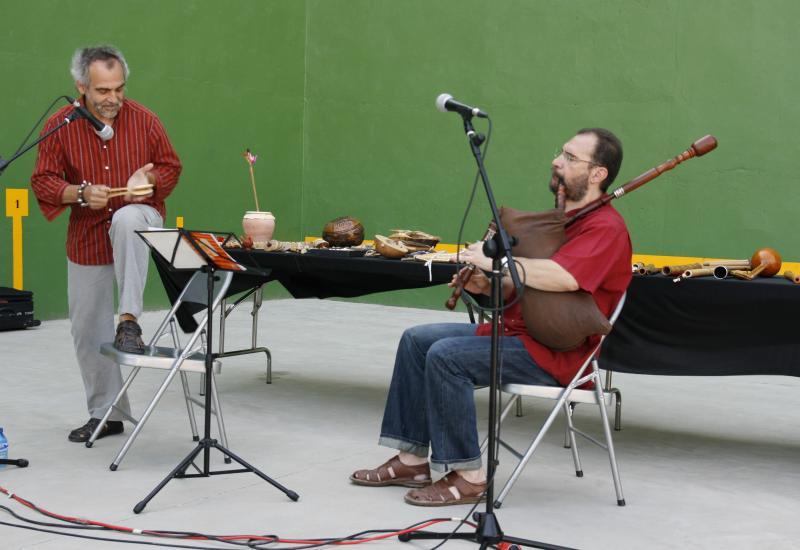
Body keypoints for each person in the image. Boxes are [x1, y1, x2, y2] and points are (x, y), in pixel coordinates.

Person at [350, 128, 632, 506]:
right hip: (521, 332)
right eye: (560, 152)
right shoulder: (560, 222)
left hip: (557, 352)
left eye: (569, 157)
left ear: (598, 173)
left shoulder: (606, 227)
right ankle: (412, 461)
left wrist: (497, 262)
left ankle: (469, 477)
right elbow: (531, 290)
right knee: (417, 340)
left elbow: (564, 278)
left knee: (447, 357)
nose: (556, 161)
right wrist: (487, 285)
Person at [30, 45, 182, 443]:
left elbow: (170, 167)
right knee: (86, 330)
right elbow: (43, 181)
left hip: (140, 220)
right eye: (103, 90)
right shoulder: (60, 125)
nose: (113, 98)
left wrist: (150, 182)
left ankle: (129, 321)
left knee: (127, 216)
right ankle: (107, 415)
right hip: (87, 234)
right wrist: (79, 194)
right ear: (81, 86)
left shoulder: (145, 120)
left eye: (119, 88)